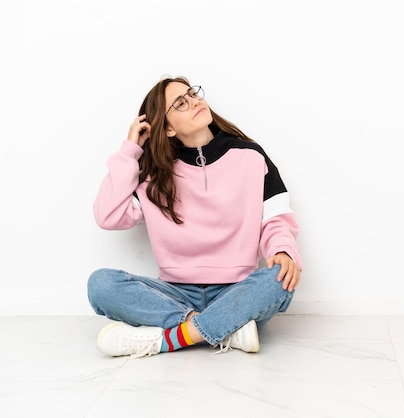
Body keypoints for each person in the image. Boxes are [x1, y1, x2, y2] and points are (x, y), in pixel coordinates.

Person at [87, 76, 302, 358]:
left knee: (279, 279)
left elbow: (275, 219)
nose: (194, 102)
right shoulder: (153, 175)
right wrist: (130, 152)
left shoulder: (250, 156)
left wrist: (282, 250)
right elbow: (108, 216)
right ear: (167, 130)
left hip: (237, 291)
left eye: (192, 94)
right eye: (180, 103)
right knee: (100, 284)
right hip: (174, 295)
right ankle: (225, 328)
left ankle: (169, 339)